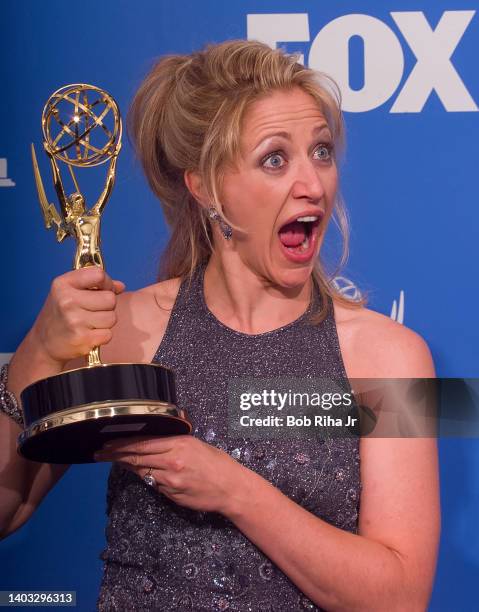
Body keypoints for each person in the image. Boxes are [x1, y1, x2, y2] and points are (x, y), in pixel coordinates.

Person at [0, 40, 439, 611]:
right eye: (275, 159)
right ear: (205, 186)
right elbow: (9, 513)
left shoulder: (394, 358)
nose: (314, 184)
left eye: (322, 152)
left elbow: (400, 599)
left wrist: (236, 492)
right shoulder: (124, 330)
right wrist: (38, 351)